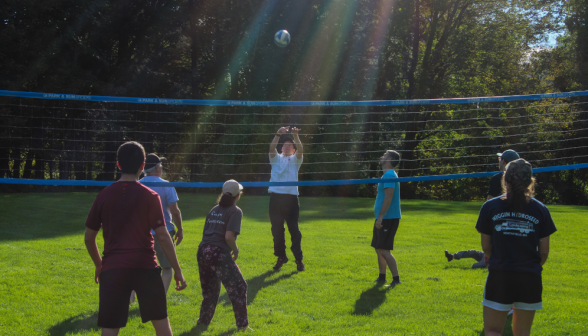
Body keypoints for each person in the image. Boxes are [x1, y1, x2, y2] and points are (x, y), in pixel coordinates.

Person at [84, 141, 187, 336]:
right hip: (145, 268)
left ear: (118, 165)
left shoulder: (104, 195)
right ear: (142, 166)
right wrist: (177, 271)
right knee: (163, 327)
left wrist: (99, 265)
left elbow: (89, 238)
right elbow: (164, 237)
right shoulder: (150, 196)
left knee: (110, 329)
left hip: (113, 269)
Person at [475, 159, 556, 336]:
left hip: (500, 274)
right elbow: (544, 252)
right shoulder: (541, 209)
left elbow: (486, 247)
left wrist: (499, 260)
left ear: (505, 179)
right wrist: (529, 266)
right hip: (530, 277)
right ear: (530, 181)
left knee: (493, 331)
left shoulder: (490, 207)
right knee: (522, 333)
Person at [443, 149, 522, 269]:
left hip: (498, 220)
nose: (498, 161)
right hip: (517, 219)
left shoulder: (498, 178)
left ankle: (489, 261)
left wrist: (485, 223)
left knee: (489, 247)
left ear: (504, 162)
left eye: (500, 159)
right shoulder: (524, 179)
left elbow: (489, 202)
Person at [197, 180, 249, 330]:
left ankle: (202, 323)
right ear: (238, 195)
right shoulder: (235, 211)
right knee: (239, 287)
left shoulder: (214, 209)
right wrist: (236, 250)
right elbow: (228, 237)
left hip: (202, 251)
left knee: (210, 292)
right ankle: (242, 326)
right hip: (217, 252)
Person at [140, 153, 183, 294]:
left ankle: (132, 298)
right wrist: (180, 230)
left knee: (139, 267)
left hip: (141, 232)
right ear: (157, 167)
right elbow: (175, 211)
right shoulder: (166, 185)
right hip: (163, 231)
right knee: (167, 267)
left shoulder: (138, 184)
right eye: (161, 165)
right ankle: (160, 297)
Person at [268, 126, 305, 271]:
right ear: (281, 148)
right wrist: (278, 134)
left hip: (291, 199)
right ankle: (281, 257)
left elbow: (301, 150)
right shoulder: (276, 158)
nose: (287, 146)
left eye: (290, 145)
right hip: (276, 198)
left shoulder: (296, 160)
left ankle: (298, 259)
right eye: (285, 144)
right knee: (276, 230)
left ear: (293, 150)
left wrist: (295, 136)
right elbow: (271, 148)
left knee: (294, 230)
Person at [373, 150, 402, 287]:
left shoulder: (390, 174)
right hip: (383, 217)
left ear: (389, 159)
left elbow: (388, 197)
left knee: (384, 249)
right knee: (379, 248)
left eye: (384, 155)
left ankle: (396, 279)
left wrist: (380, 217)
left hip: (387, 218)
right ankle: (382, 276)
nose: (381, 157)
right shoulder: (387, 174)